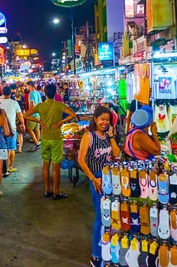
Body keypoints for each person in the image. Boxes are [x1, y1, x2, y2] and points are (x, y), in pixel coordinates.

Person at [77, 106, 121, 267]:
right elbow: (81, 160)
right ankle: (96, 254)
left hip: (110, 179)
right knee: (101, 217)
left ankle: (108, 250)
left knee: (111, 216)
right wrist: (93, 179)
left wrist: (112, 137)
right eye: (102, 119)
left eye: (107, 120)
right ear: (95, 119)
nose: (105, 122)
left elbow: (116, 154)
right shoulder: (89, 136)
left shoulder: (107, 136)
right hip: (97, 180)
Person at [24, 84, 76, 200]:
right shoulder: (59, 105)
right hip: (56, 138)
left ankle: (47, 190)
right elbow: (73, 114)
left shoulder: (40, 106)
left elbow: (25, 115)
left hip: (45, 138)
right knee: (55, 166)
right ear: (55, 92)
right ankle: (56, 192)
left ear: (45, 93)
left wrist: (39, 121)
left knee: (45, 164)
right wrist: (60, 122)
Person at [0, 86, 24, 172]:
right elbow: (20, 115)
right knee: (11, 148)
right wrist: (23, 124)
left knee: (2, 149)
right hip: (11, 130)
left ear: (2, 93)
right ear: (10, 93)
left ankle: (2, 168)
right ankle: (10, 166)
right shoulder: (14, 103)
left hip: (0, 130)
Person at [26, 81, 43, 151]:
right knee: (37, 129)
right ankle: (37, 142)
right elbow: (41, 103)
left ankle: (36, 143)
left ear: (30, 86)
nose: (26, 87)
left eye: (27, 86)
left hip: (33, 114)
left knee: (29, 129)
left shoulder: (31, 94)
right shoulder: (38, 93)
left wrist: (28, 113)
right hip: (38, 114)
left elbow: (32, 105)